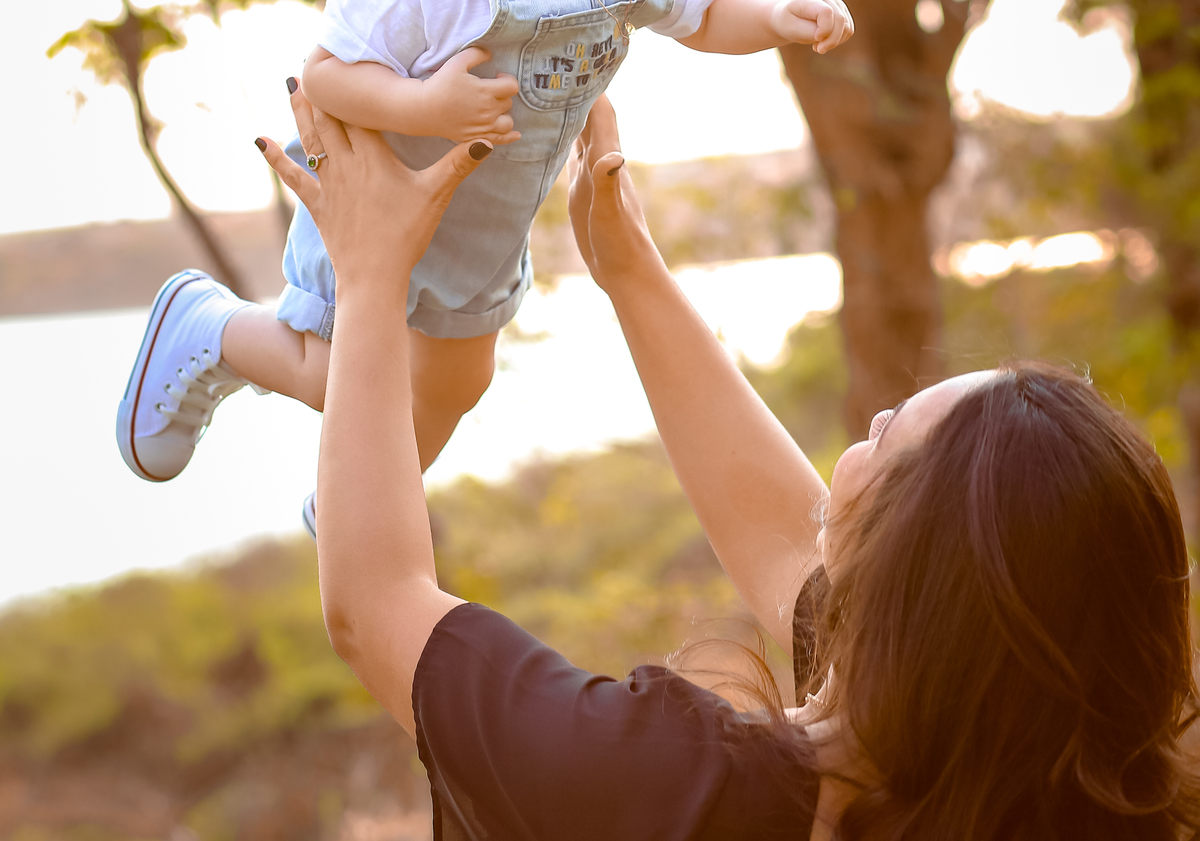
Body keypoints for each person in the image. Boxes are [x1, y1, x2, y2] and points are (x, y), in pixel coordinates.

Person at [250, 86, 1197, 841]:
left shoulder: (665, 786)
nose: (871, 421)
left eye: (889, 434)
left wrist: (371, 273)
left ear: (912, 574)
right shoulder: (1002, 772)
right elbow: (788, 546)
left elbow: (376, 602)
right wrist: (629, 269)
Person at [117, 0, 853, 488]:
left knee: (460, 381)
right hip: (380, 200)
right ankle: (212, 327)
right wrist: (425, 107)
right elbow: (326, 73)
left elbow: (704, 11)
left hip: (486, 225)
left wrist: (778, 16)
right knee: (335, 370)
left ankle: (358, 504)